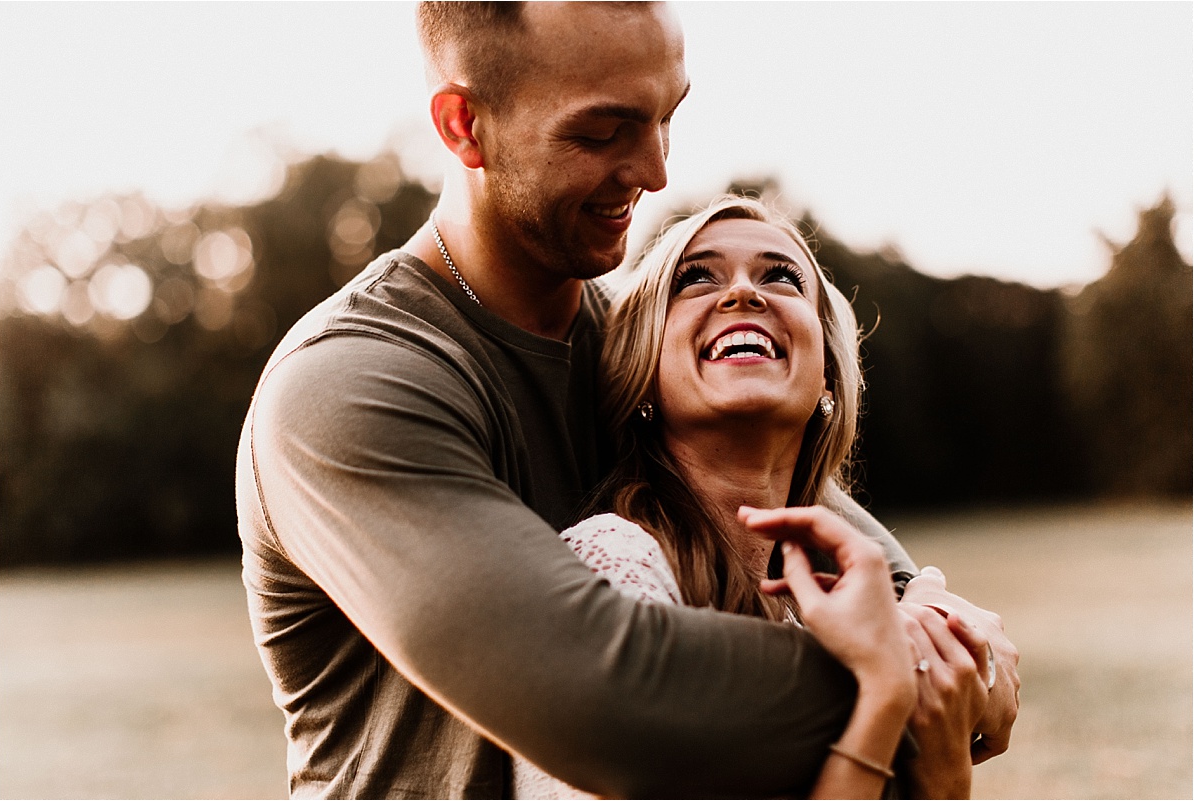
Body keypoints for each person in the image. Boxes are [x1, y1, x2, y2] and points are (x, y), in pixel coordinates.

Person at [236, 2, 1019, 797]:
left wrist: (947, 628)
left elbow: (846, 544)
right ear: (463, 125)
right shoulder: (348, 385)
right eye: (603, 132)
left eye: (666, 117)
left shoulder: (645, 357)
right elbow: (612, 696)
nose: (656, 172)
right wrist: (911, 673)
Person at [511, 195, 991, 799]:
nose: (742, 293)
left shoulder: (825, 614)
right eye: (696, 278)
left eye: (780, 276)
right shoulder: (612, 570)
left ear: (829, 380)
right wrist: (886, 697)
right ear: (642, 370)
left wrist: (944, 768)